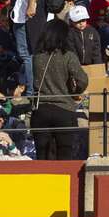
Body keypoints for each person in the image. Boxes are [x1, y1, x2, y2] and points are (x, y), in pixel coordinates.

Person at [30, 20, 88, 160]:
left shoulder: (37, 57)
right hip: (64, 110)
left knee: (42, 157)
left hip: (41, 110)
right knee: (64, 156)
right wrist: (75, 91)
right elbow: (83, 80)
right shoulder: (68, 56)